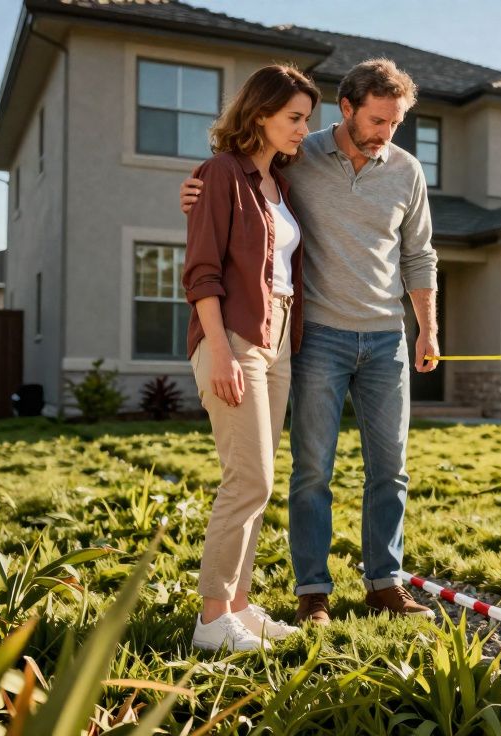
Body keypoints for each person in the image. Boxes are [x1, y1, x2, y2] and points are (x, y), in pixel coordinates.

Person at [183, 58, 438, 624]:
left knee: (391, 469)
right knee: (311, 470)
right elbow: (232, 186)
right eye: (377, 120)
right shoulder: (298, 155)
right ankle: (312, 591)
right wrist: (195, 192)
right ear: (346, 108)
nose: (386, 133)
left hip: (384, 338)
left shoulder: (406, 171)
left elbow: (419, 254)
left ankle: (385, 583)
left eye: (396, 123)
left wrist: (428, 327)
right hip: (315, 334)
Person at [182, 64, 320, 651]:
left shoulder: (279, 184)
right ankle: (213, 619)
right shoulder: (220, 173)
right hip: (234, 337)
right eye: (295, 117)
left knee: (259, 482)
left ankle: (239, 606)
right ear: (260, 114)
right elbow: (201, 272)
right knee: (249, 479)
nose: (303, 129)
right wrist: (220, 352)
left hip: (278, 338)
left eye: (307, 119)